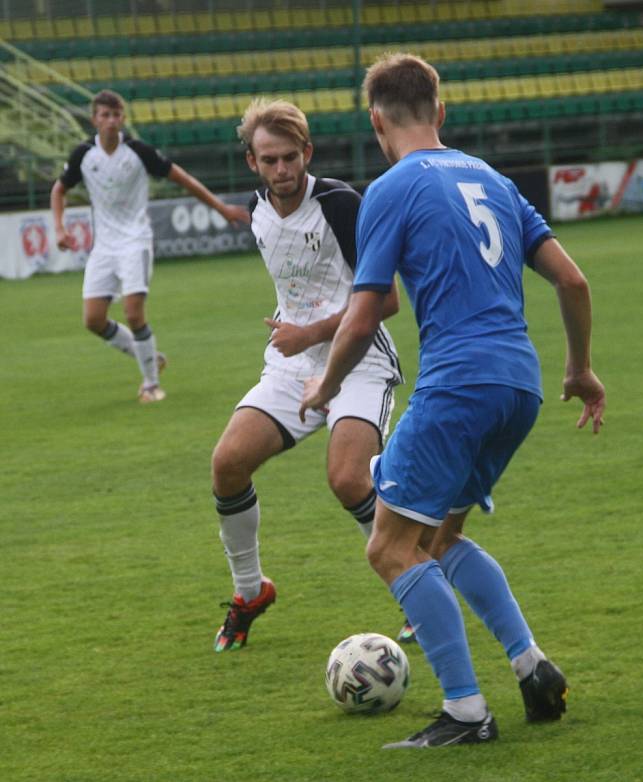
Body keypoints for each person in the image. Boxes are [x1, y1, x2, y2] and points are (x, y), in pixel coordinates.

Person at [301, 53, 606, 749]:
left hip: (457, 383)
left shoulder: (391, 188)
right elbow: (574, 282)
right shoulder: (494, 180)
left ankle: (466, 712)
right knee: (443, 537)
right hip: (520, 383)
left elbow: (371, 305)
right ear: (441, 112)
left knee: (389, 547)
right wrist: (581, 369)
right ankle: (532, 668)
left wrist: (323, 387)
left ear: (376, 120)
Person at [211, 99, 404, 653]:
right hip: (292, 365)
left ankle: (414, 585)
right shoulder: (258, 211)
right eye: (269, 160)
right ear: (252, 161)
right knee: (227, 464)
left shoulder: (342, 204)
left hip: (359, 359)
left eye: (290, 158)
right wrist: (298, 343)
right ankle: (250, 592)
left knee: (347, 479)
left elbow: (386, 300)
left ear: (307, 153)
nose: (281, 170)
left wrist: (311, 334)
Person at [51, 89, 249, 403]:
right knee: (93, 320)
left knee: (133, 313)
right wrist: (59, 228)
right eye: (105, 115)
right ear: (94, 120)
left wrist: (221, 208)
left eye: (116, 115)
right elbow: (59, 189)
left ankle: (150, 384)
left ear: (123, 118)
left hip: (135, 241)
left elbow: (181, 177)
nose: (111, 121)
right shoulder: (83, 155)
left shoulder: (138, 151)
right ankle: (151, 356)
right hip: (104, 246)